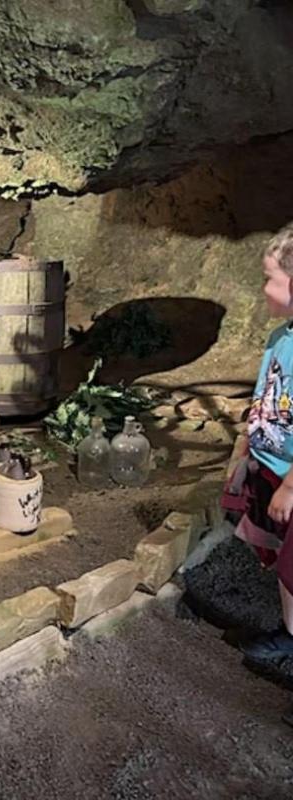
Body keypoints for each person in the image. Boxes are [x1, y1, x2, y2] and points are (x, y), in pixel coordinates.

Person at [224, 223, 293, 663]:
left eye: (270, 278)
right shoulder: (279, 338)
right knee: (283, 566)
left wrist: (291, 486)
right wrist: (245, 452)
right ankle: (291, 632)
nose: (263, 288)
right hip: (270, 465)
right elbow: (264, 397)